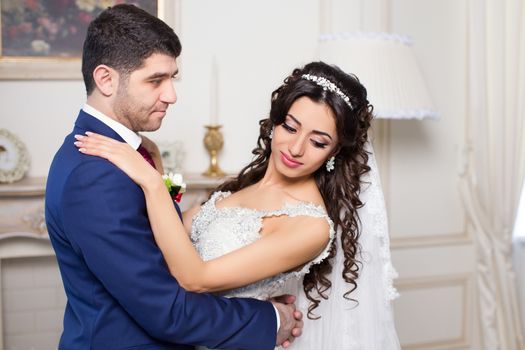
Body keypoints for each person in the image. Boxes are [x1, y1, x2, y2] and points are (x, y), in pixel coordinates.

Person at [75, 61, 402, 349]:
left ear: (334, 153)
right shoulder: (244, 187)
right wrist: (160, 170)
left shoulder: (310, 226)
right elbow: (174, 230)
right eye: (290, 126)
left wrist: (150, 183)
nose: (296, 147)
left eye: (318, 142)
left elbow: (195, 277)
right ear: (274, 123)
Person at [45, 4, 303, 350]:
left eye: (172, 78)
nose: (171, 95)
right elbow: (167, 312)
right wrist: (270, 318)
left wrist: (162, 175)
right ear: (105, 79)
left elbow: (163, 224)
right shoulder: (95, 175)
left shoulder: (131, 152)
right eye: (155, 80)